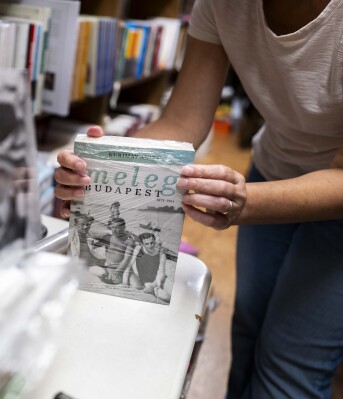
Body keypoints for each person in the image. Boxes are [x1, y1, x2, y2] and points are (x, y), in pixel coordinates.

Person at [54, 0, 343, 397]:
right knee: (248, 332)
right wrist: (105, 168)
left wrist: (247, 203)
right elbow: (183, 120)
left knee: (290, 364)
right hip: (273, 165)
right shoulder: (222, 5)